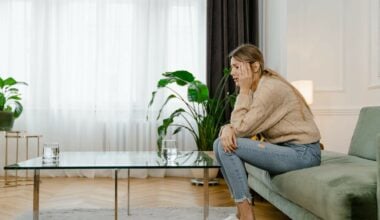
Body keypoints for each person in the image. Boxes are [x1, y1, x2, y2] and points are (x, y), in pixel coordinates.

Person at [213, 44, 321, 220]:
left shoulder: (269, 89)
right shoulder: (262, 86)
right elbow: (242, 128)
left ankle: (246, 215)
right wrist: (228, 128)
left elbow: (240, 129)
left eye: (237, 67)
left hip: (303, 154)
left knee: (224, 145)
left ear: (255, 67)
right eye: (232, 67)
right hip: (290, 150)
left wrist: (244, 90)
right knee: (221, 144)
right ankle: (242, 211)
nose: (232, 72)